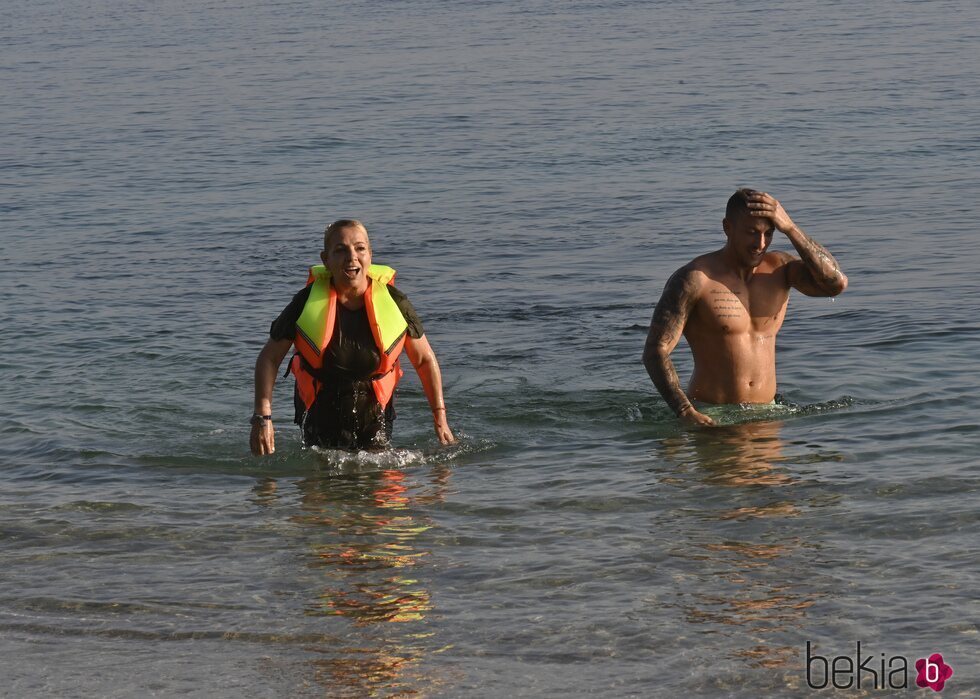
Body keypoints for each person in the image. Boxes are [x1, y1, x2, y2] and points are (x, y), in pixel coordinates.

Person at [643, 189, 848, 426]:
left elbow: (835, 284)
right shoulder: (695, 279)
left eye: (768, 234)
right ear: (727, 227)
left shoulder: (781, 270)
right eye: (751, 232)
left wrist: (790, 228)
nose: (760, 244)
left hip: (769, 414)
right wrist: (685, 412)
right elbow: (655, 350)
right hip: (713, 416)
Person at [250, 219, 455, 454]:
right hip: (320, 413)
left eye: (360, 248)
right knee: (321, 478)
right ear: (325, 260)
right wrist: (262, 417)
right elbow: (269, 358)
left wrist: (440, 416)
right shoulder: (305, 303)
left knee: (380, 481)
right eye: (340, 250)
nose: (352, 257)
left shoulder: (395, 302)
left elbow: (424, 359)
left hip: (375, 414)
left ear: (370, 255)